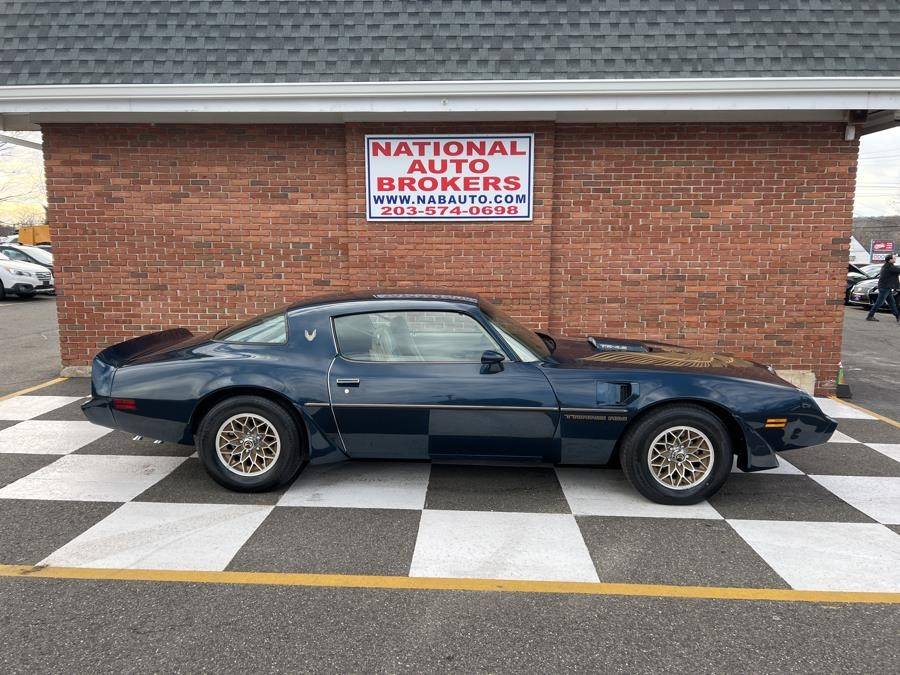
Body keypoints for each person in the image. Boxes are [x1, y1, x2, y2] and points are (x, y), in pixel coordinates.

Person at [866, 252, 900, 322]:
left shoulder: (887, 266)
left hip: (886, 287)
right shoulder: (890, 267)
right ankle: (870, 315)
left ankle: (897, 315)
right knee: (879, 302)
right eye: (893, 258)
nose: (895, 259)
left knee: (892, 302)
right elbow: (898, 270)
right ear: (889, 260)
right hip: (885, 287)